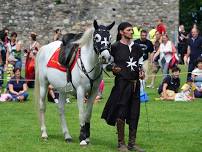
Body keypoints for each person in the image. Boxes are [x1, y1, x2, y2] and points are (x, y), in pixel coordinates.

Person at [101, 22, 144, 152]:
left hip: (135, 85)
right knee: (121, 112)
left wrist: (142, 72)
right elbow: (105, 64)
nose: (132, 32)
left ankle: (132, 143)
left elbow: (140, 63)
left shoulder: (137, 47)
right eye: (129, 30)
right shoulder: (114, 47)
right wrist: (113, 68)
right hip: (121, 85)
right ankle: (121, 143)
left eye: (132, 30)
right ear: (121, 32)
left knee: (134, 113)